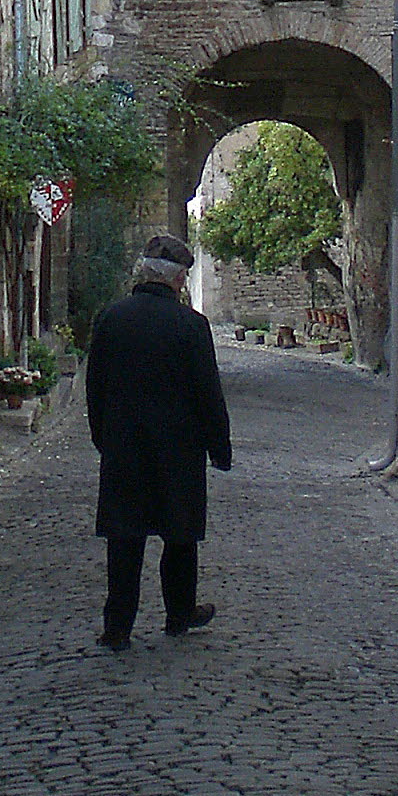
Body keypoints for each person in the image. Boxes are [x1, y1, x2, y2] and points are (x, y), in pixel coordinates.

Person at [84, 230, 233, 649]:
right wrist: (219, 447)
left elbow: (95, 388)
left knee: (124, 539)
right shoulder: (191, 326)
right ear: (177, 280)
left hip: (124, 447)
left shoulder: (111, 320)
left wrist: (104, 438)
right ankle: (179, 613)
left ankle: (117, 626)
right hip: (178, 449)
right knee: (179, 535)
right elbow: (208, 392)